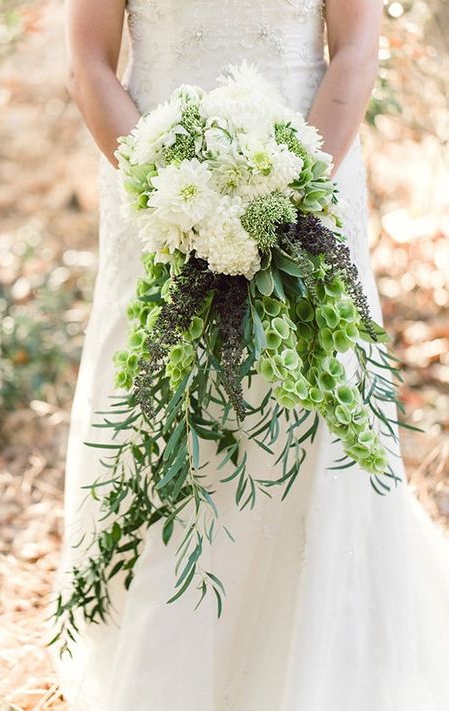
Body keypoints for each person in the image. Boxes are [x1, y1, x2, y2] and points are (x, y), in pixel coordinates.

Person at [50, 1, 449, 709]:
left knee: (308, 395)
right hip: (157, 192)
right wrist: (170, 192)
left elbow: (356, 48)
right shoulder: (158, 189)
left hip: (313, 173)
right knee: (159, 385)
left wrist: (289, 197)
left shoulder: (304, 184)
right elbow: (89, 62)